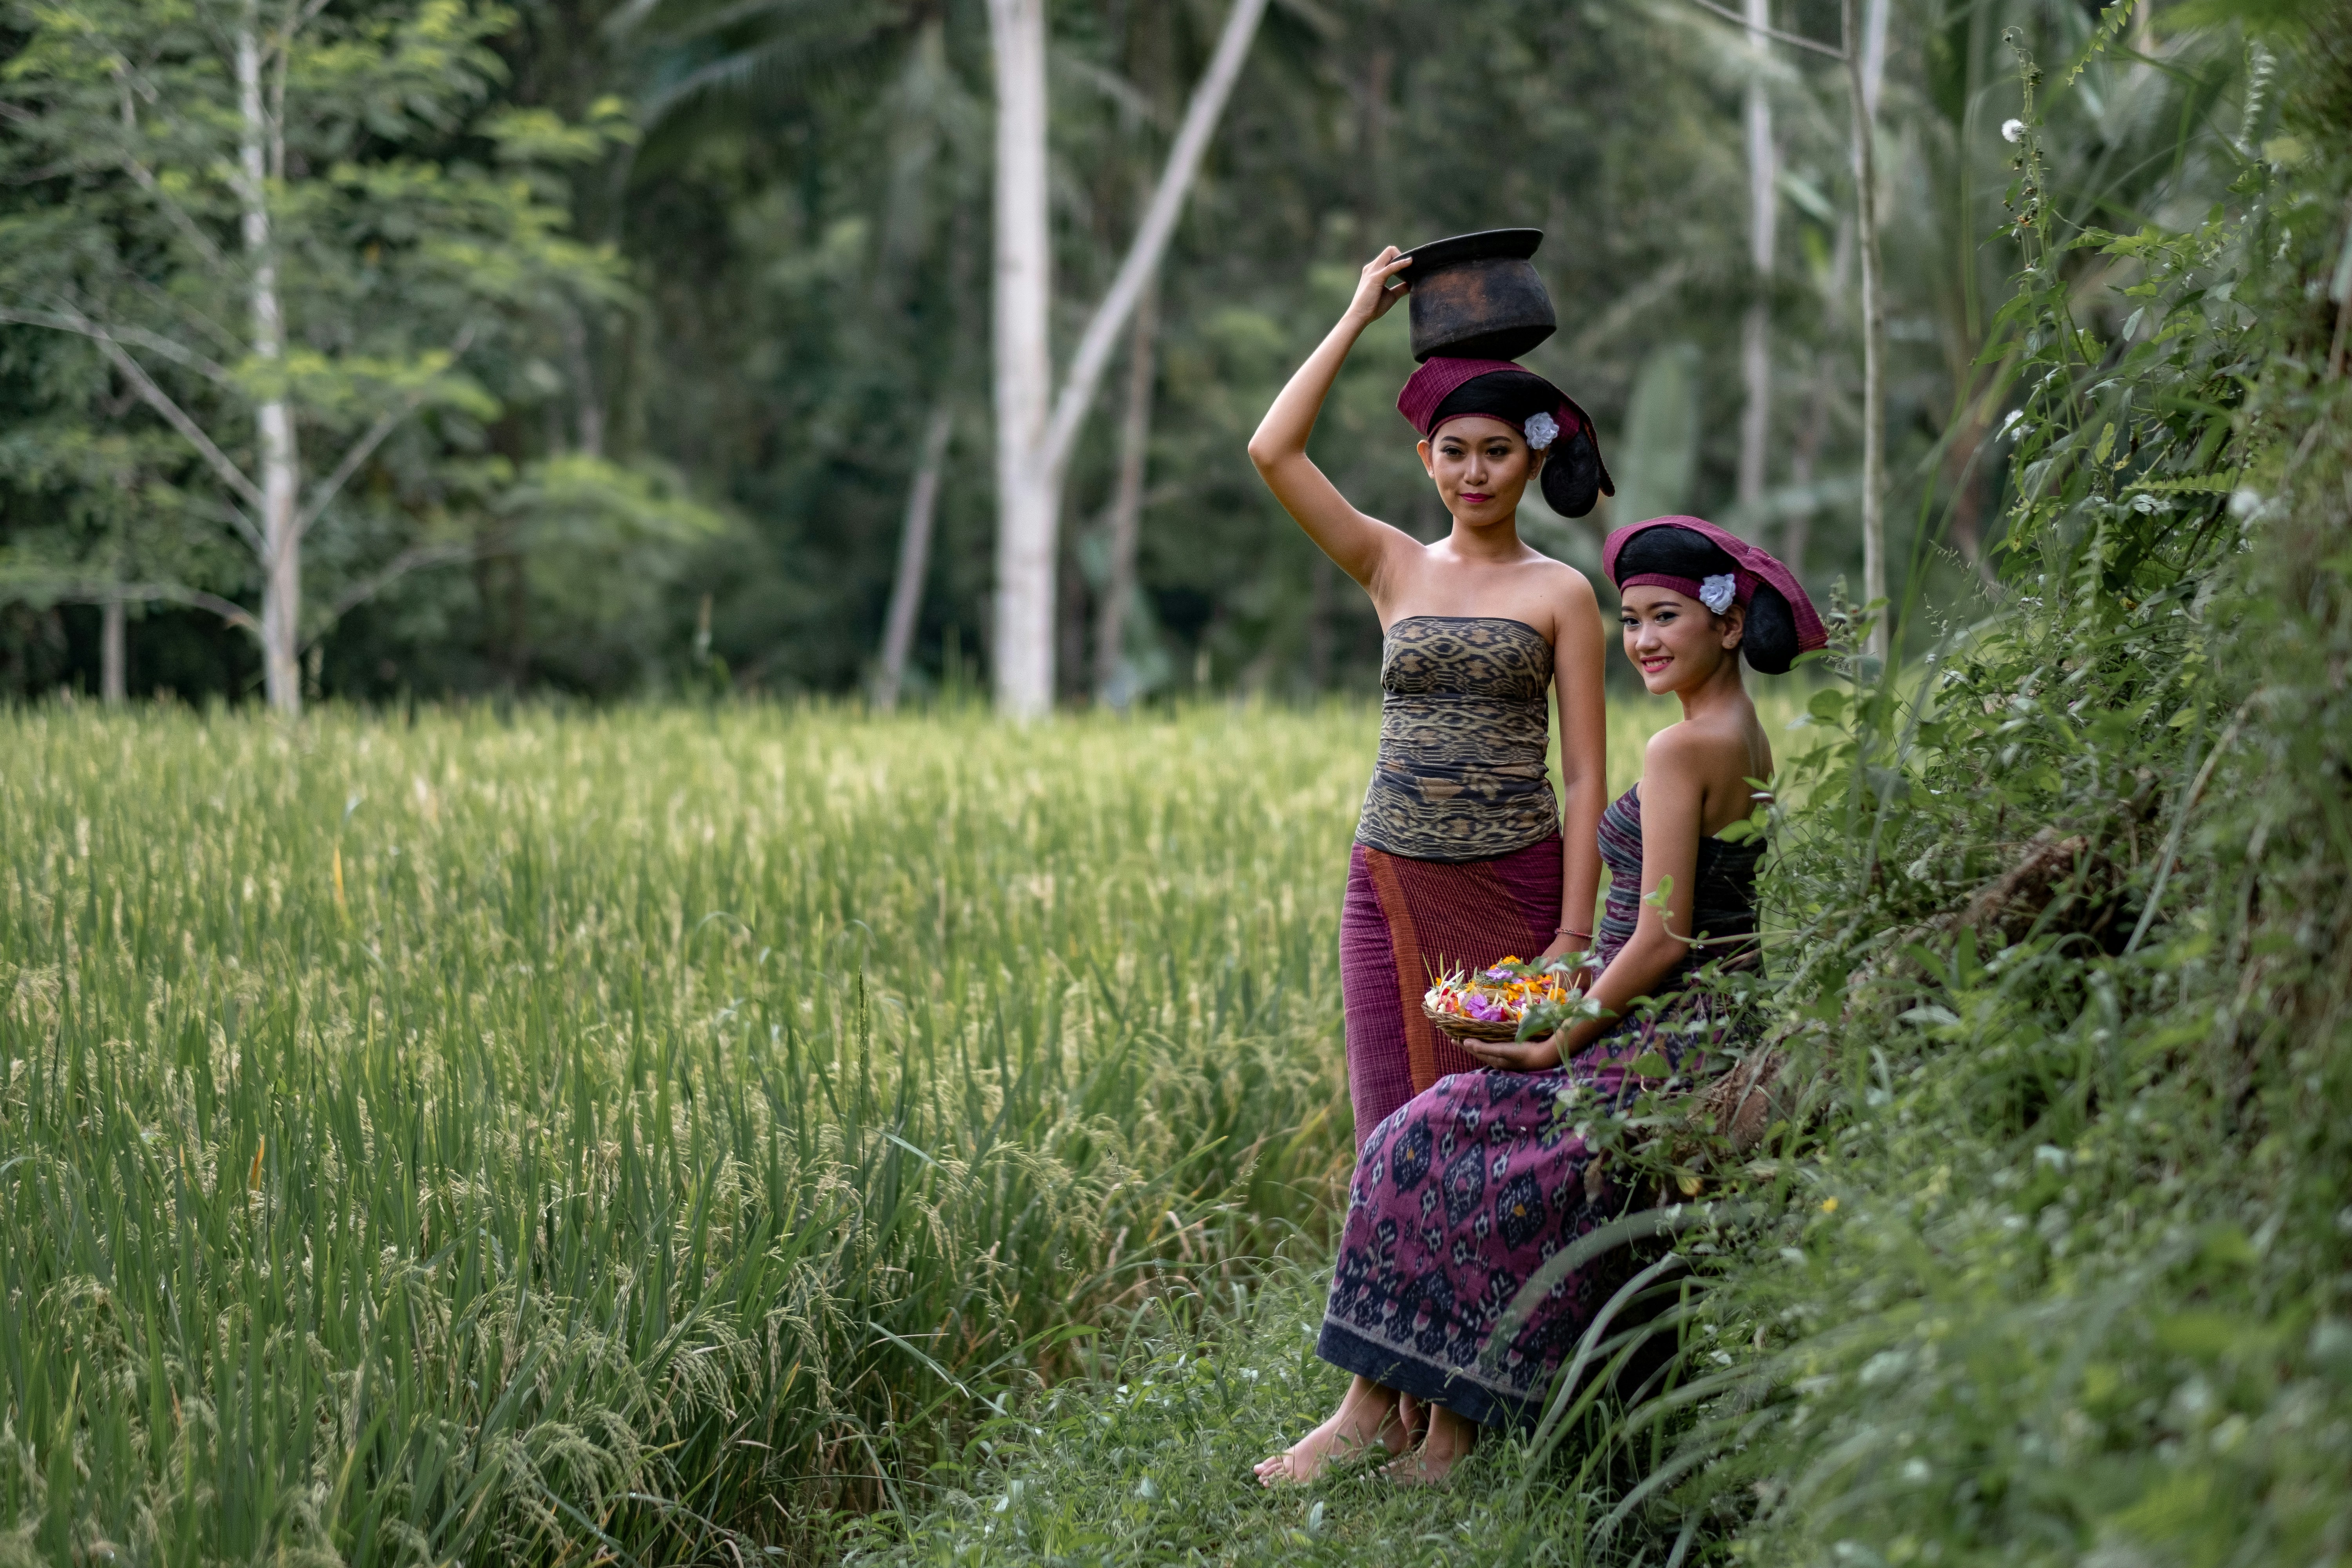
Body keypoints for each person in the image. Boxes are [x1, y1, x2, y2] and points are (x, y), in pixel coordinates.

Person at [1256, 514, 1827, 1487]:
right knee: (1441, 1133)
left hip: (1667, 1033)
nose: (1644, 640)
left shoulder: (1681, 750)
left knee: (1421, 1136)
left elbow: (1665, 934)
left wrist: (1564, 1031)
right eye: (1634, 619)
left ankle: (1418, 1431)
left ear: (1729, 627)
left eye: (1667, 618)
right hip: (1704, 1015)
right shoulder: (1743, 735)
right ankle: (1428, 1428)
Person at [1246, 243, 1615, 1196]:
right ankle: (1389, 1347)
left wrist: (1573, 937)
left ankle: (1513, 1341)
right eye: (1455, 452)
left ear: (1533, 457)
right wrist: (1357, 315)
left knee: (1509, 1145)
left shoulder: (1564, 593)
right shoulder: (1392, 564)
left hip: (1518, 889)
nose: (1476, 473)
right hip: (1390, 884)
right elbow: (1272, 451)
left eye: (1498, 450)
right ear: (1427, 458)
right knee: (1393, 1141)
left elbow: (1583, 777)